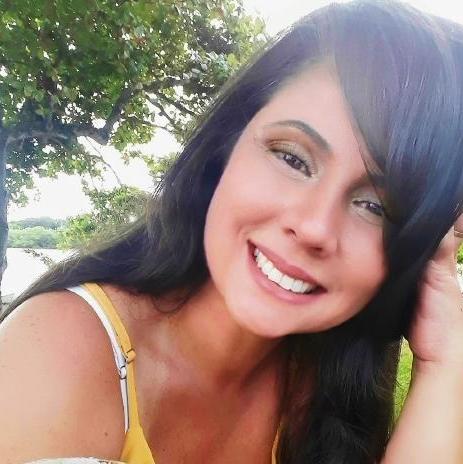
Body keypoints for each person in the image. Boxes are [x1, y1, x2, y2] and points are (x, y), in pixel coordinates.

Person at [1, 1, 463, 463]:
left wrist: (446, 359)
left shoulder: (327, 384)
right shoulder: (55, 356)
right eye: (292, 158)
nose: (314, 227)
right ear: (228, 144)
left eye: (375, 206)